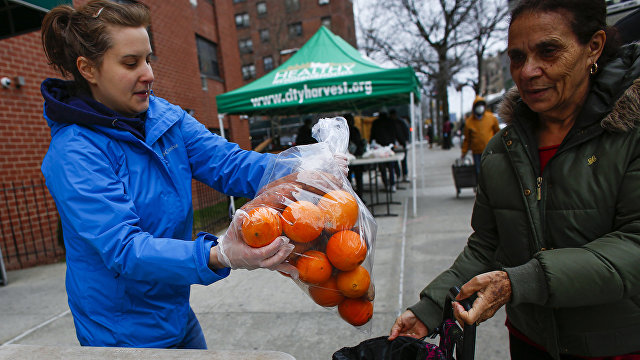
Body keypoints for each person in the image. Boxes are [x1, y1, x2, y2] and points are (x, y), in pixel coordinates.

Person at [39, 1, 300, 349]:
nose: (148, 73)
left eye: (148, 58)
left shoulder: (164, 118)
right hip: (120, 334)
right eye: (130, 63)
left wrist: (303, 168)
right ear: (88, 69)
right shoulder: (75, 153)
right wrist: (219, 254)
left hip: (174, 311)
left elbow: (230, 164)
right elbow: (125, 248)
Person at [389, 1, 640, 359]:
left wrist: (519, 282)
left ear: (593, 47)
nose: (528, 71)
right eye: (517, 57)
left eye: (548, 51)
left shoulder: (631, 130)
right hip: (530, 340)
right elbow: (489, 245)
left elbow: (634, 243)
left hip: (617, 346)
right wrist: (429, 308)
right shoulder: (502, 150)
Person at [460, 96, 500, 175]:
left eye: (481, 105)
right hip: (477, 152)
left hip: (490, 151)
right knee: (479, 172)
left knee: (491, 171)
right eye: (478, 106)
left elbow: (497, 133)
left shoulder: (491, 118)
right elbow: (467, 139)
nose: (480, 108)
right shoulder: (469, 122)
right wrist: (464, 152)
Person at [369, 111, 397, 191]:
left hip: (379, 148)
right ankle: (392, 184)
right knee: (391, 167)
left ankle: (386, 184)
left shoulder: (376, 123)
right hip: (389, 147)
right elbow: (394, 133)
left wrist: (370, 142)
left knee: (383, 168)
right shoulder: (390, 122)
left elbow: (372, 135)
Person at [345, 113, 365, 199]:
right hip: (352, 159)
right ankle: (357, 196)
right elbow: (359, 143)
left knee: (350, 180)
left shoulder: (345, 131)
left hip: (351, 159)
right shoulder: (352, 130)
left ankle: (354, 197)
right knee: (357, 178)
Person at [390, 109, 410, 183]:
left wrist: (405, 141)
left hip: (401, 143)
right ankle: (400, 175)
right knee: (396, 161)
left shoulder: (400, 122)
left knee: (403, 160)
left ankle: (403, 174)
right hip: (397, 144)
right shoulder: (400, 122)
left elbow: (406, 132)